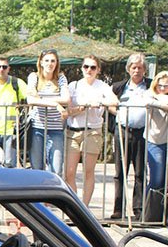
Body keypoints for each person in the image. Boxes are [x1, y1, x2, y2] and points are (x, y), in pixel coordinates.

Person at [64, 55, 119, 207]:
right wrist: (82, 107)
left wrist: (99, 102)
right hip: (73, 131)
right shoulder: (74, 85)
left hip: (93, 131)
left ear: (98, 70)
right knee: (69, 172)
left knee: (88, 171)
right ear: (81, 68)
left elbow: (114, 101)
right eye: (86, 66)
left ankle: (85, 207)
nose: (89, 70)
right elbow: (67, 110)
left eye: (93, 67)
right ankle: (74, 206)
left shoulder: (102, 86)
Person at [109, 53, 152, 220]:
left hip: (142, 133)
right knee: (120, 173)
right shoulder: (119, 87)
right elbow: (109, 103)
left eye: (140, 68)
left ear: (145, 70)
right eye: (134, 67)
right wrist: (117, 111)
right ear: (128, 69)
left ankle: (139, 209)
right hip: (123, 131)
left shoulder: (150, 85)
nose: (137, 70)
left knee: (140, 173)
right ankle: (118, 209)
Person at [26, 49, 69, 174]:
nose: (50, 64)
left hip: (55, 128)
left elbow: (66, 99)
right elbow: (30, 99)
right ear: (41, 62)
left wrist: (42, 100)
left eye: (53, 61)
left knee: (56, 169)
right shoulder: (34, 77)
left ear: (56, 63)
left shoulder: (61, 78)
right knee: (37, 168)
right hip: (37, 127)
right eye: (47, 60)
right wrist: (56, 104)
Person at [146, 71, 168, 192]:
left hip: (167, 140)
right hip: (155, 141)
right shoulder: (150, 94)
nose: (163, 88)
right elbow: (148, 101)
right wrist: (163, 105)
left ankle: (162, 210)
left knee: (165, 181)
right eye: (160, 85)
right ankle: (148, 209)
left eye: (166, 86)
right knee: (156, 180)